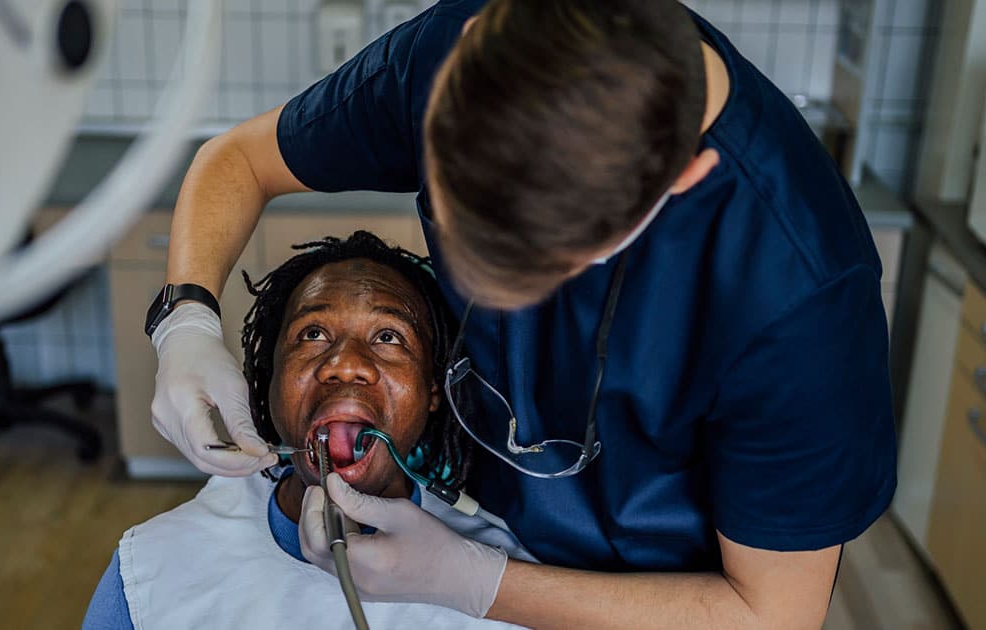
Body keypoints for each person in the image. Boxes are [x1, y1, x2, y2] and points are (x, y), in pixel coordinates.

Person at [145, 1, 897, 627]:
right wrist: (185, 321)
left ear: (684, 177)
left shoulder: (802, 296)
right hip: (488, 522)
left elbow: (770, 616)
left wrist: (478, 583)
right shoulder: (445, 53)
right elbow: (238, 162)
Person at [87, 232, 536, 628]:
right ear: (269, 375)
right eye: (313, 333)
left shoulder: (502, 572)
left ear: (432, 389)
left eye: (388, 337)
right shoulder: (150, 572)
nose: (345, 364)